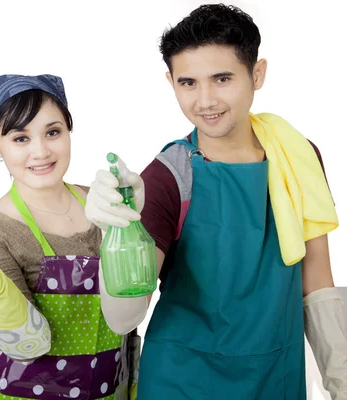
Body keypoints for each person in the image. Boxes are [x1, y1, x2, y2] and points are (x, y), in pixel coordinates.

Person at [85, 4, 347, 399]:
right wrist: (119, 233)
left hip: (276, 377)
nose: (205, 100)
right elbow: (124, 317)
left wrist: (340, 378)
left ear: (256, 74)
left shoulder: (297, 157)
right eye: (188, 83)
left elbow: (317, 282)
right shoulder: (167, 177)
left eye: (222, 78)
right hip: (183, 381)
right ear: (171, 81)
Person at [0, 74, 140, 399]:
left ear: (69, 132)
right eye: (20, 138)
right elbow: (28, 346)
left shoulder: (102, 203)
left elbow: (132, 305)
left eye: (53, 132)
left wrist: (131, 227)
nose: (40, 151)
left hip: (111, 390)